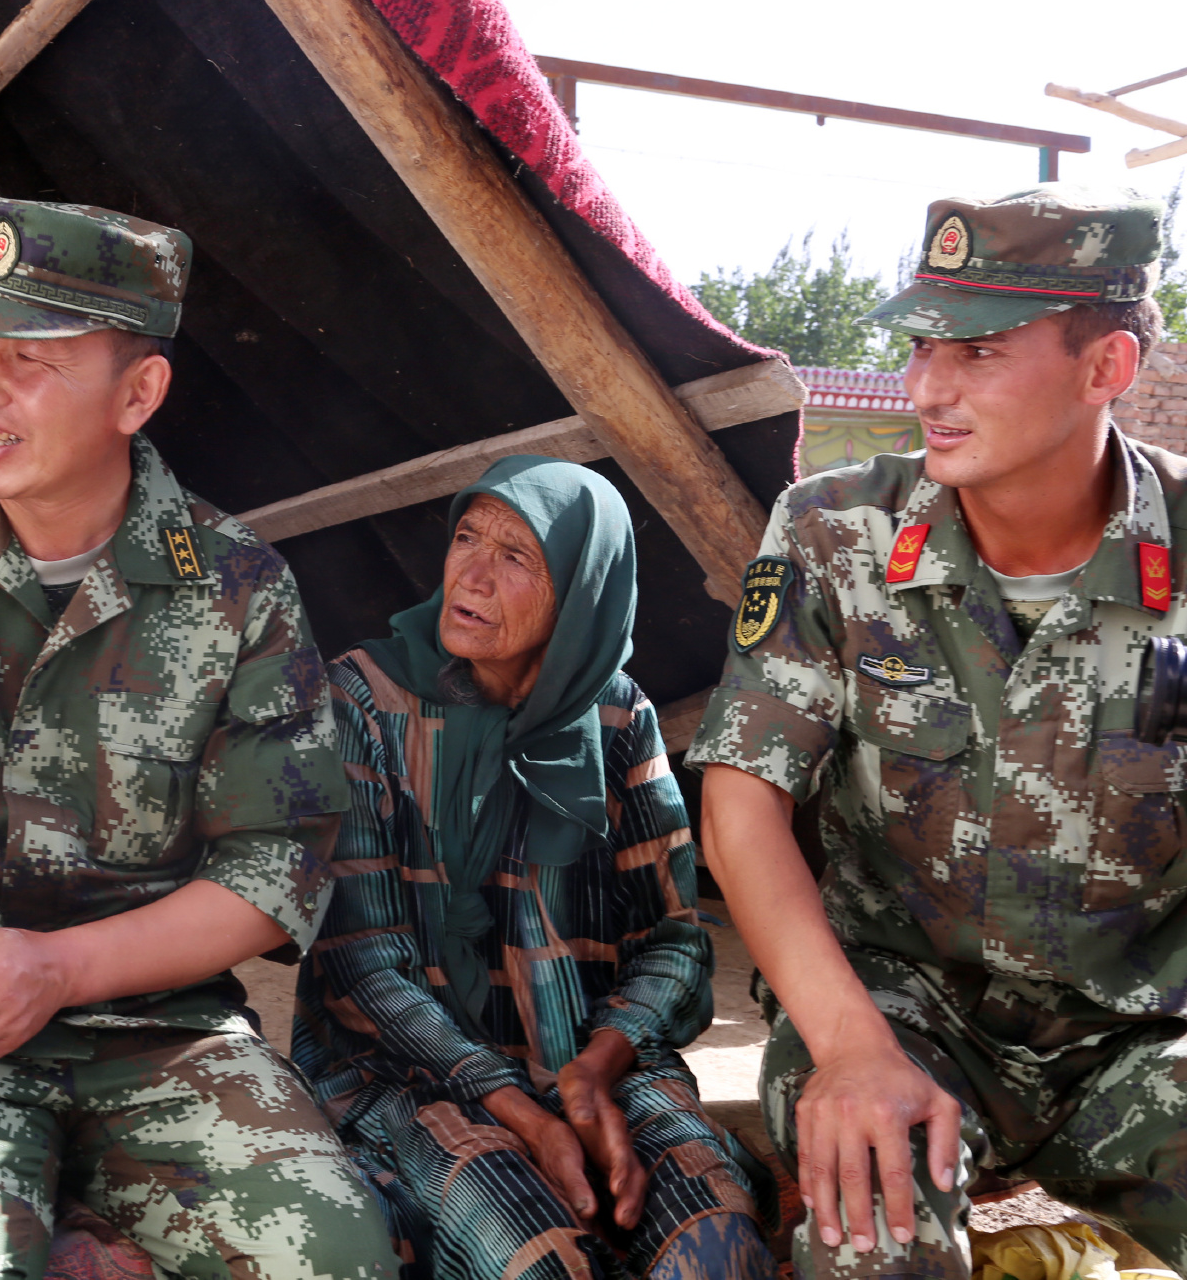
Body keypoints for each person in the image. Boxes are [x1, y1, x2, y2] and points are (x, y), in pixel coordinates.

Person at [0, 197, 399, 1280]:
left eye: (31, 357)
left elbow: (273, 871)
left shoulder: (238, 592)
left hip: (159, 1032)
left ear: (137, 393)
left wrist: (57, 969)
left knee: (335, 1261)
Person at [689, 184, 1187, 1278]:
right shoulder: (835, 529)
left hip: (1138, 1038)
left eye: (977, 354)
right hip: (896, 1010)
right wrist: (849, 1044)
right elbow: (739, 806)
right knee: (872, 1246)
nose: (925, 388)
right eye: (921, 348)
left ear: (1104, 368)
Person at [293, 456, 777, 1280]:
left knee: (717, 1246)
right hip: (412, 1074)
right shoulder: (363, 701)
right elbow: (363, 967)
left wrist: (597, 1071)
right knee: (544, 1256)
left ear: (581, 593)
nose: (472, 573)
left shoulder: (619, 713)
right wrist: (525, 1110)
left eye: (517, 556)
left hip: (591, 1055)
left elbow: (675, 937)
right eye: (468, 537)